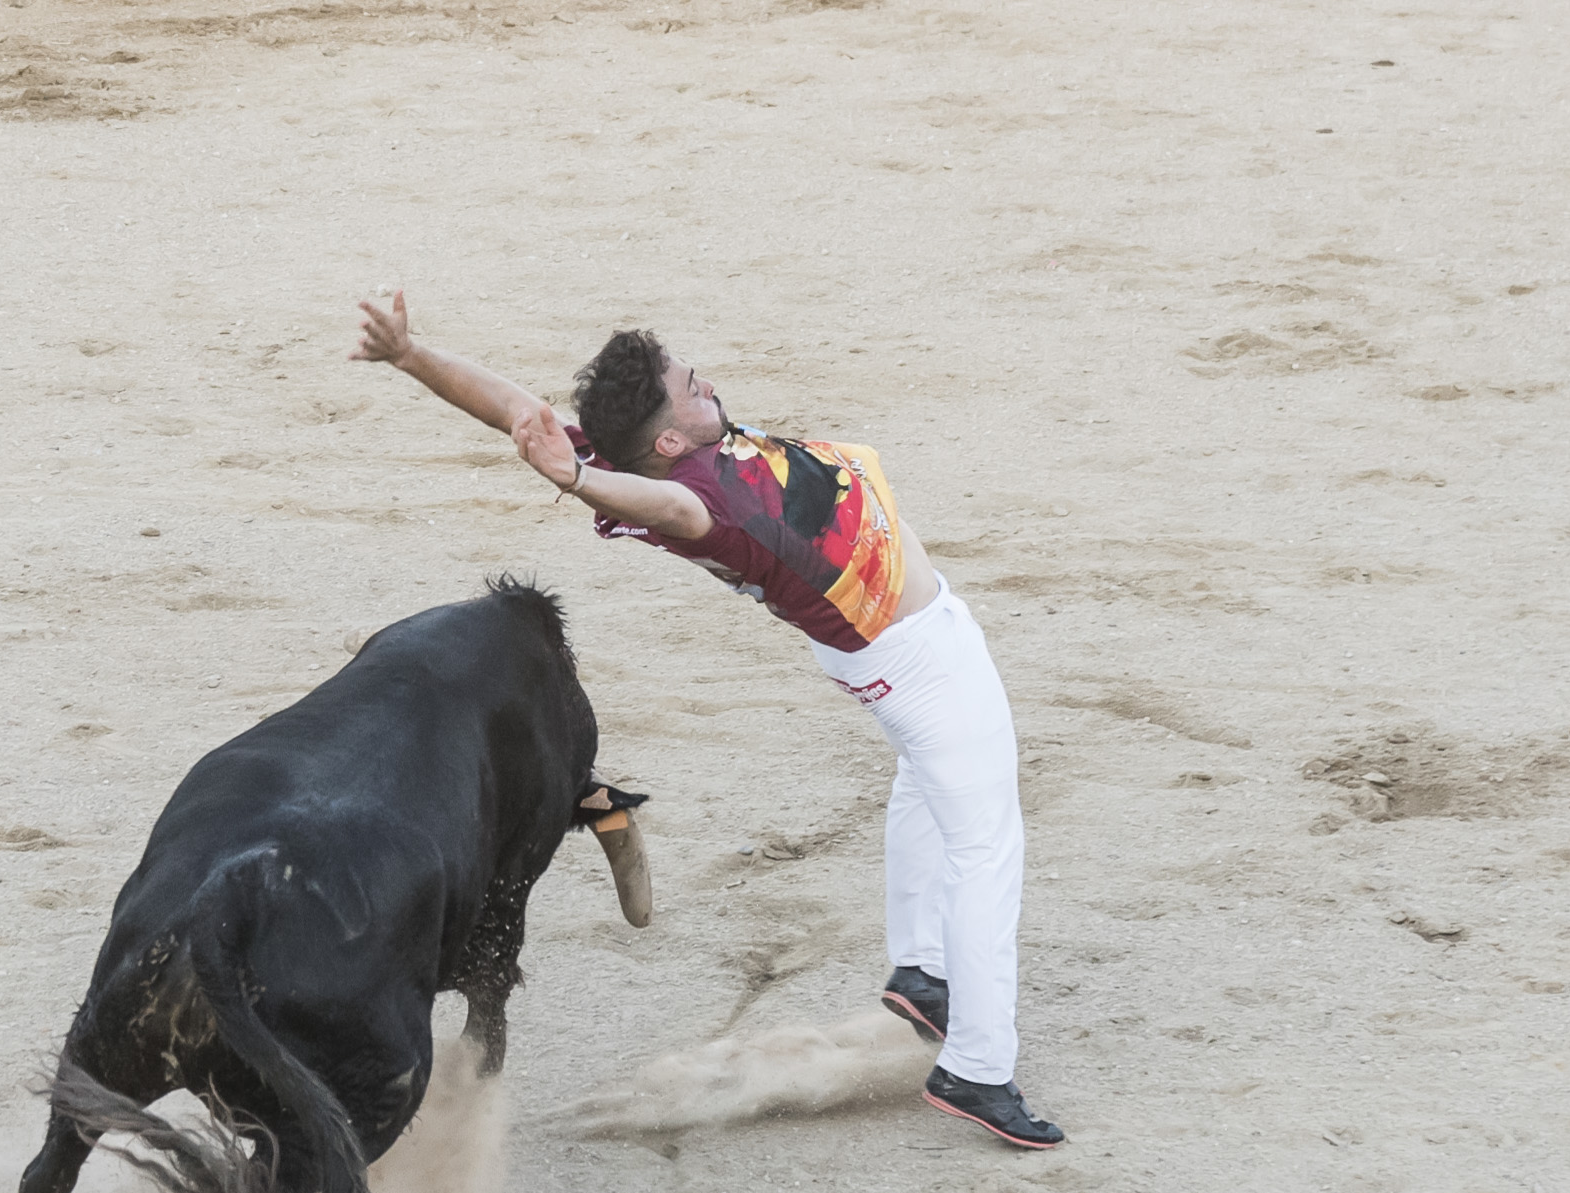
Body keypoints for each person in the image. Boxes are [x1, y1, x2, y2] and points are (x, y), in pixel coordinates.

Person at [351, 291, 1061, 1149]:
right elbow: (673, 514)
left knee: (924, 780)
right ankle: (979, 1070)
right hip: (915, 655)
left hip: (886, 656)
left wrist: (410, 354)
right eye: (691, 385)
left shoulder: (659, 458)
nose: (707, 381)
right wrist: (575, 481)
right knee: (987, 849)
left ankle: (925, 973)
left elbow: (512, 407)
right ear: (668, 442)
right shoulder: (693, 503)